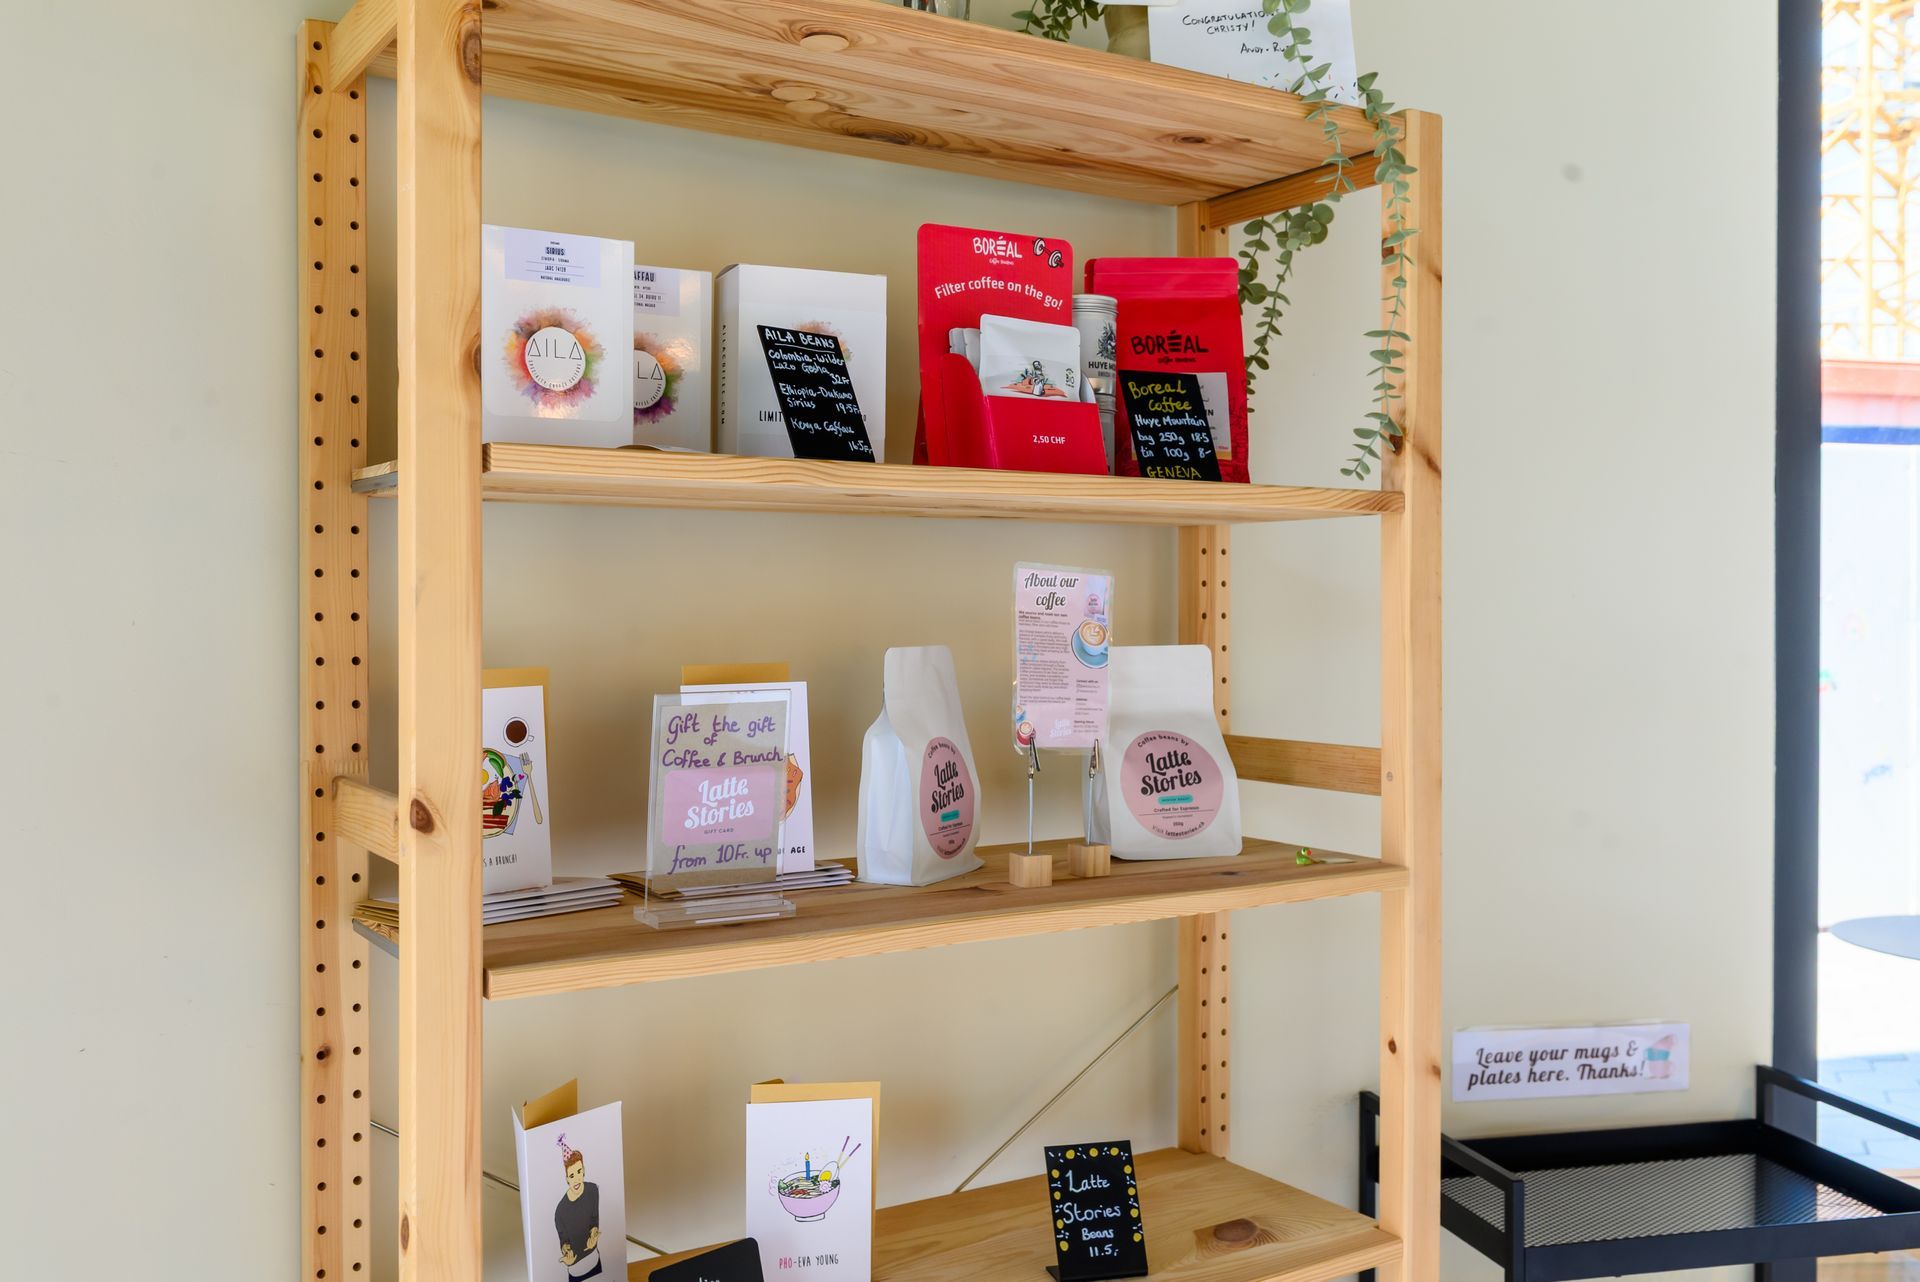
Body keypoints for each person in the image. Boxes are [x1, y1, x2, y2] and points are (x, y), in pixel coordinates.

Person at [553, 1145, 602, 1281]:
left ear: (584, 1170)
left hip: (595, 1260)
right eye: (572, 1175)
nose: (576, 1179)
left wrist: (594, 1232)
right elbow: (564, 1240)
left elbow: (594, 1219)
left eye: (579, 1172)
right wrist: (566, 1251)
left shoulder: (593, 1190)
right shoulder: (560, 1211)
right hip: (576, 1271)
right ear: (567, 1178)